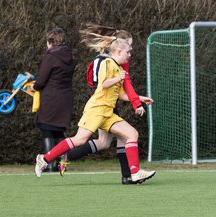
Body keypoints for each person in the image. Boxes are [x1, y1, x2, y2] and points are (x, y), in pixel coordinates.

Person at [35, 37, 156, 184]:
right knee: (80, 139)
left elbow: (118, 94)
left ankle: (135, 172)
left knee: (132, 134)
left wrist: (139, 98)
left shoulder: (118, 68)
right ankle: (44, 158)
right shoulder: (107, 63)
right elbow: (104, 84)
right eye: (128, 52)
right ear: (118, 51)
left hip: (108, 113)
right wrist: (118, 78)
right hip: (96, 110)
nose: (130, 55)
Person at [31, 27, 75, 172]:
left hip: (51, 98)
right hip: (65, 98)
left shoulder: (50, 56)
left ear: (50, 41)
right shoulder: (69, 56)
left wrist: (34, 87)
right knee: (59, 132)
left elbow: (41, 80)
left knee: (47, 130)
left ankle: (49, 165)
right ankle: (63, 165)